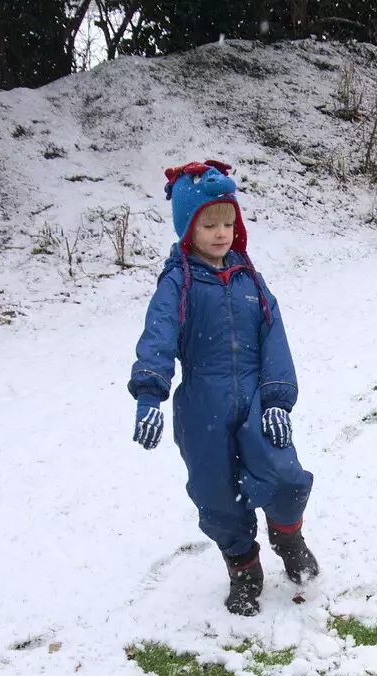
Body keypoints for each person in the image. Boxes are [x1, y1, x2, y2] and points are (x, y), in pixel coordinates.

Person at [128, 160, 319, 616]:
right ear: (188, 228)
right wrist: (149, 395)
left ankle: (288, 537)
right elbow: (158, 338)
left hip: (255, 395)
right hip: (202, 401)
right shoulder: (178, 284)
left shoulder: (252, 280)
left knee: (286, 473)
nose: (221, 233)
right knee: (215, 494)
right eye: (209, 224)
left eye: (228, 222)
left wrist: (276, 398)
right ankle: (243, 565)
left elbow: (275, 337)